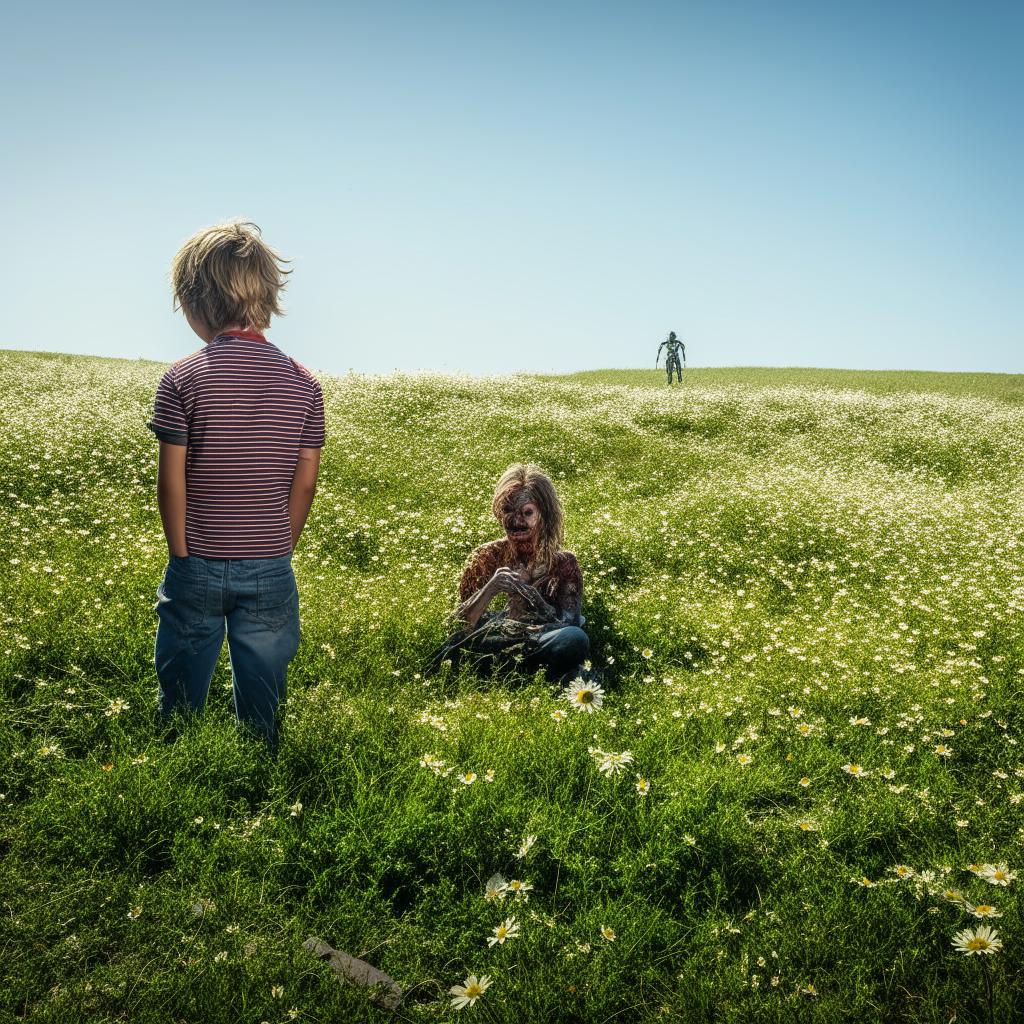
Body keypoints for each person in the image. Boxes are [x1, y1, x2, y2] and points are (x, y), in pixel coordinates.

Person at [147, 220, 325, 751]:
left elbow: (171, 478)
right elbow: (306, 478)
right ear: (267, 296)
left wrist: (180, 549)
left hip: (196, 558)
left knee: (182, 672)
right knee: (265, 677)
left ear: (196, 301)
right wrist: (281, 543)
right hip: (271, 561)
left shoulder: (183, 378)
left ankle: (178, 753)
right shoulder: (304, 383)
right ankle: (261, 757)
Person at [427, 464, 589, 682]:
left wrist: (534, 602)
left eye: (527, 513)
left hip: (538, 642)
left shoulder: (563, 562)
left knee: (575, 638)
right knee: (456, 644)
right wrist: (491, 587)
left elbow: (568, 623)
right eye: (507, 511)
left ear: (544, 514)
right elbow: (458, 624)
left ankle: (503, 672)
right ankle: (531, 674)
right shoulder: (486, 556)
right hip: (489, 642)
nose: (515, 522)